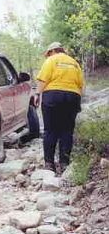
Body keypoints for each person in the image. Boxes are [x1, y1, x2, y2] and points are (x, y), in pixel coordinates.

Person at [34, 42, 84, 174]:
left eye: (48, 54)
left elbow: (43, 79)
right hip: (72, 96)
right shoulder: (74, 63)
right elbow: (80, 84)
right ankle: (64, 164)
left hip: (53, 96)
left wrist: (37, 94)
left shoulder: (51, 60)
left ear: (52, 52)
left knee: (50, 130)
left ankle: (49, 164)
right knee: (67, 131)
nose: (47, 56)